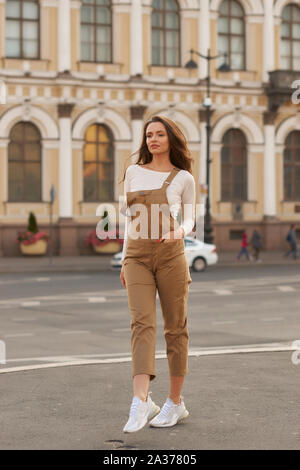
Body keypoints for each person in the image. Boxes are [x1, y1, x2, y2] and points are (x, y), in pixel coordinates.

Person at [119, 115, 195, 433]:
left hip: (170, 256)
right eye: (149, 134)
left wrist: (180, 231)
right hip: (136, 255)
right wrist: (124, 259)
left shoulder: (183, 178)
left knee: (175, 330)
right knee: (141, 324)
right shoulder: (133, 172)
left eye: (159, 134)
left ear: (170, 139)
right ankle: (140, 401)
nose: (153, 139)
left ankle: (175, 403)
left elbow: (191, 219)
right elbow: (127, 220)